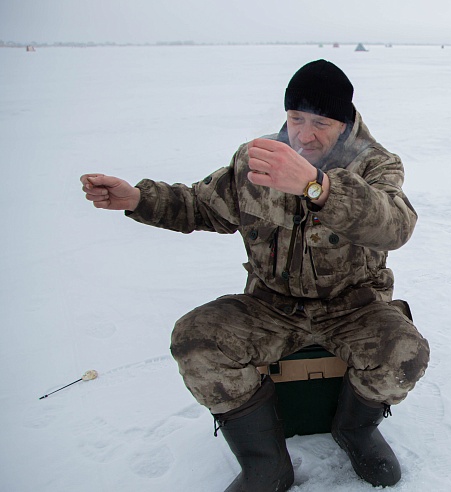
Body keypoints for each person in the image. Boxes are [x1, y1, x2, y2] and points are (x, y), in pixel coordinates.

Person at [80, 59, 430, 491]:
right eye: (296, 118)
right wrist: (136, 198)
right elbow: (203, 205)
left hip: (353, 306)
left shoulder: (376, 164)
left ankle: (355, 430)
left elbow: (396, 224)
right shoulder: (258, 159)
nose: (304, 133)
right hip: (272, 305)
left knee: (404, 354)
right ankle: (265, 463)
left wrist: (317, 186)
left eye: (320, 122)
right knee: (196, 339)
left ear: (344, 123)